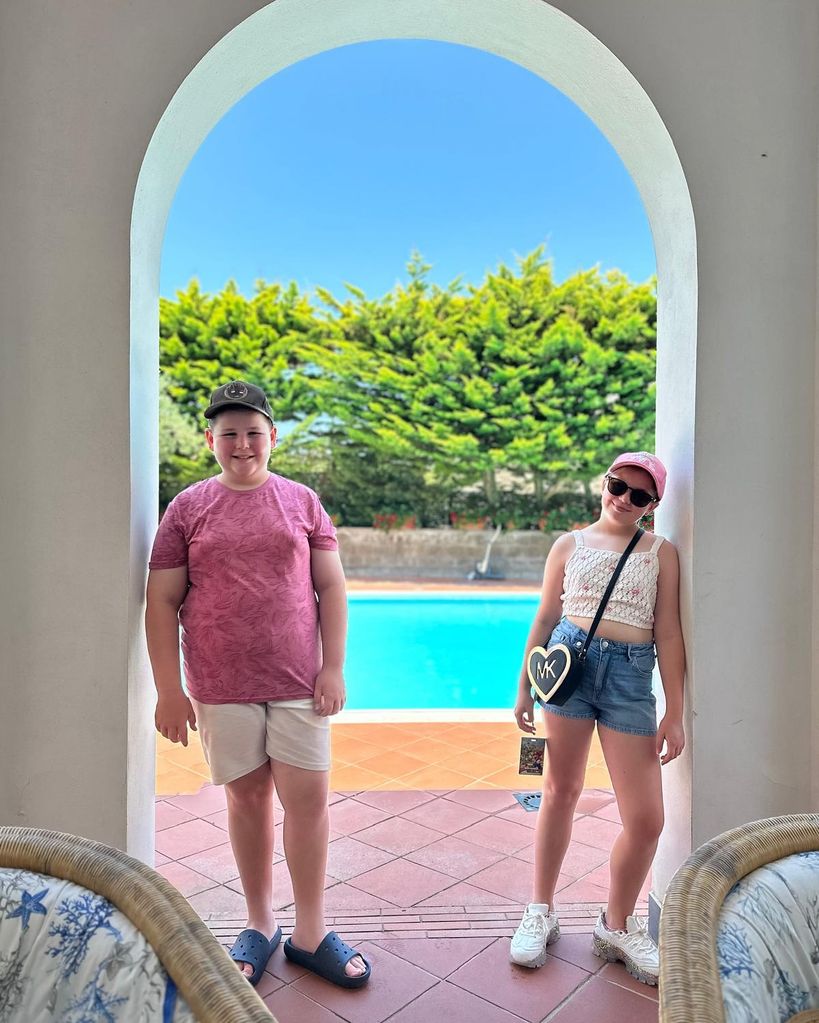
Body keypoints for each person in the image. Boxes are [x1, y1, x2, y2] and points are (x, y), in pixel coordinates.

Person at [145, 380, 371, 989]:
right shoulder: (187, 508)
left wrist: (333, 666)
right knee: (246, 801)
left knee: (308, 805)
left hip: (299, 680)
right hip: (220, 685)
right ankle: (259, 922)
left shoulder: (301, 501)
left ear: (272, 436)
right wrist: (169, 690)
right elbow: (161, 601)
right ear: (210, 440)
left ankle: (311, 932)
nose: (241, 444)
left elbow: (332, 588)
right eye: (228, 433)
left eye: (252, 431)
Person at [510, 452, 685, 986]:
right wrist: (523, 687)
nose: (624, 500)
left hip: (631, 678)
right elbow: (545, 616)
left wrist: (675, 711)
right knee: (559, 791)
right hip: (567, 667)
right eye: (618, 486)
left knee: (647, 819)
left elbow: (669, 632)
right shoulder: (569, 545)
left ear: (653, 506)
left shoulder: (661, 553)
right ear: (604, 482)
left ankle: (617, 923)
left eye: (640, 496)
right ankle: (540, 909)